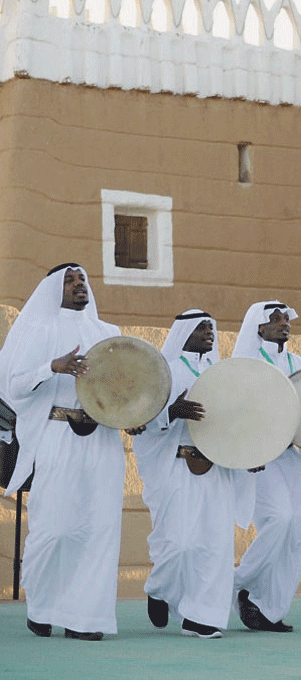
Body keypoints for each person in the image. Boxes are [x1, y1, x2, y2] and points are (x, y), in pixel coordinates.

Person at [0, 264, 125, 641]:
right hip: (56, 434)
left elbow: (126, 384)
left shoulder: (109, 334)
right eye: (69, 280)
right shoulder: (40, 330)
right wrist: (52, 366)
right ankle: (42, 605)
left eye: (82, 279)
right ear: (55, 289)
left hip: (103, 439)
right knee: (55, 528)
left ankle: (85, 618)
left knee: (99, 529)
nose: (78, 285)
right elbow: (14, 386)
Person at [133, 310, 254, 639]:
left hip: (218, 473)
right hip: (176, 469)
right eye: (201, 327)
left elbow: (237, 425)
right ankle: (159, 588)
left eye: (211, 327)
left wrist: (250, 457)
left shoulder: (222, 374)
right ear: (182, 332)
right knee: (180, 545)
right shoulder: (164, 373)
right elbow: (138, 424)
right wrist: (172, 412)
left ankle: (200, 617)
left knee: (214, 549)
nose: (208, 332)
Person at [232, 301, 301, 632]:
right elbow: (235, 412)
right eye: (275, 319)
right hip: (259, 458)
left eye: (286, 318)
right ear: (259, 327)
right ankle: (236, 583)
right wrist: (248, 452)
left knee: (297, 531)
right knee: (279, 519)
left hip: (292, 457)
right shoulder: (245, 365)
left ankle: (266, 608)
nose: (283, 323)